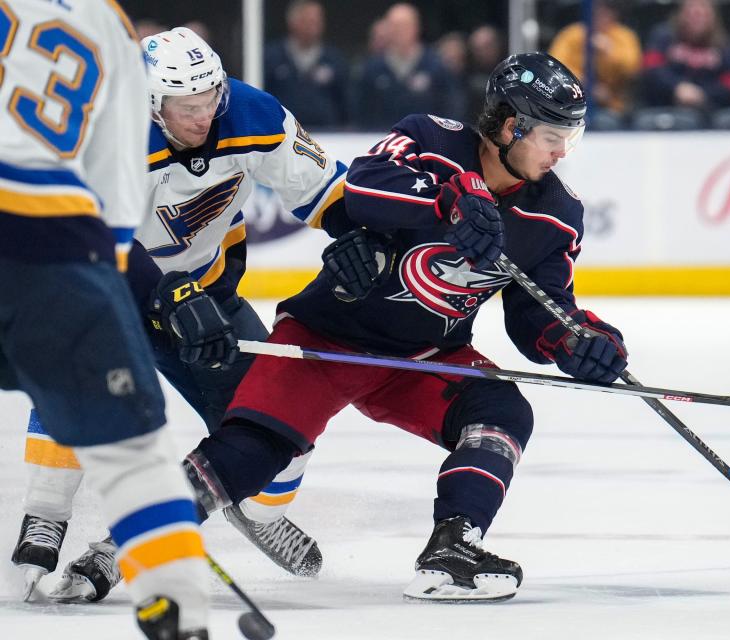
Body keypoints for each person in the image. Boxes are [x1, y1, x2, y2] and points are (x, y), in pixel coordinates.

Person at [178, 52, 629, 602]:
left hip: (424, 358)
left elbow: (538, 313)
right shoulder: (429, 139)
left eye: (571, 140)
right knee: (253, 451)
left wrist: (578, 341)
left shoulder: (556, 214)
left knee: (502, 411)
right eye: (554, 136)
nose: (561, 154)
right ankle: (120, 545)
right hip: (326, 340)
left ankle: (453, 546)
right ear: (512, 125)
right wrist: (450, 201)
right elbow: (364, 187)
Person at [12, 26, 348, 603]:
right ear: (150, 103)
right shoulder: (110, 135)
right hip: (110, 295)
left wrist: (363, 238)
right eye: (185, 106)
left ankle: (217, 521)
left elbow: (326, 192)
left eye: (209, 99)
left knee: (280, 415)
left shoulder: (251, 112)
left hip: (209, 297)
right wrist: (166, 295)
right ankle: (45, 515)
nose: (202, 116)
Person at [0, 2, 208, 638]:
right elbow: (116, 186)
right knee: (132, 443)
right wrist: (104, 292)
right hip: (53, 241)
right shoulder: (111, 25)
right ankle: (176, 608)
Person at [354, 2, 464, 128]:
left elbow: (451, 107)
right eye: (394, 26)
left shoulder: (436, 66)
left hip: (426, 141)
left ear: (416, 27)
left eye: (404, 26)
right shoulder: (372, 69)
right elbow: (361, 111)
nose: (399, 31)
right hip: (383, 140)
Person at [549, 0, 643, 129]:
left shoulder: (624, 36)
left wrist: (609, 52)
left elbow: (632, 69)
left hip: (614, 106)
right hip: (572, 102)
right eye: (597, 12)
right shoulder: (571, 35)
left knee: (606, 122)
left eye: (605, 12)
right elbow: (555, 67)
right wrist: (587, 85)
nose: (601, 16)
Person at [641, 0, 730, 112]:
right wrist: (677, 87)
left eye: (702, 12)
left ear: (713, 16)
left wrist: (702, 93)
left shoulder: (724, 45)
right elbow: (651, 68)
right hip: (664, 106)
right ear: (681, 13)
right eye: (691, 11)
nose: (696, 16)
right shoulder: (663, 37)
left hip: (709, 111)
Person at [263, 0, 349, 129]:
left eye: (317, 21)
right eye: (308, 21)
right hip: (282, 134)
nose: (314, 26)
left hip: (328, 137)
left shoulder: (334, 59)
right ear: (293, 22)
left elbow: (345, 103)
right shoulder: (272, 57)